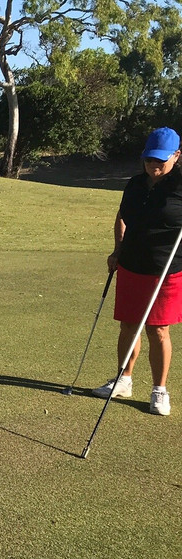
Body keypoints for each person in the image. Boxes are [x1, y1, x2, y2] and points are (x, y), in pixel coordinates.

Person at [93, 127, 182, 416]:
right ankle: (123, 380)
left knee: (158, 329)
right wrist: (117, 251)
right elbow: (122, 218)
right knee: (129, 325)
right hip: (131, 265)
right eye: (149, 160)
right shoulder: (134, 184)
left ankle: (159, 391)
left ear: (177, 156)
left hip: (166, 270)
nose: (154, 166)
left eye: (161, 161)